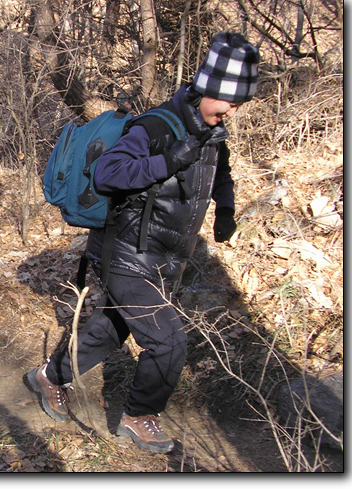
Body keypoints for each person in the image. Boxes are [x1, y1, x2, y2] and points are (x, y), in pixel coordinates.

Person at [27, 32, 260, 453]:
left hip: (166, 258)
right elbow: (108, 174)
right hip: (127, 253)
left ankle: (49, 376)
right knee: (167, 340)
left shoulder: (212, 129)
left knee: (110, 329)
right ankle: (138, 417)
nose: (233, 110)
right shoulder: (156, 126)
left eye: (239, 104)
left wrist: (225, 209)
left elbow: (220, 172)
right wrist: (172, 158)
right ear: (207, 90)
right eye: (230, 101)